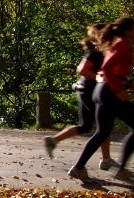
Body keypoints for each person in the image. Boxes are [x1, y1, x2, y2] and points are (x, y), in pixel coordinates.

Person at [67, 17, 134, 185]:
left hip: (102, 90)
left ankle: (79, 168)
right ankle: (121, 170)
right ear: (127, 31)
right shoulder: (124, 46)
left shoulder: (115, 46)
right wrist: (119, 91)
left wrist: (133, 86)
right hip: (110, 92)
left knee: (102, 132)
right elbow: (107, 70)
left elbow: (114, 73)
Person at [43, 24, 119, 172]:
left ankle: (53, 140)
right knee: (102, 126)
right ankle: (105, 160)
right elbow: (82, 69)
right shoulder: (96, 53)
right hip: (89, 91)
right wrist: (100, 78)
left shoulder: (98, 52)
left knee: (90, 126)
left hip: (87, 90)